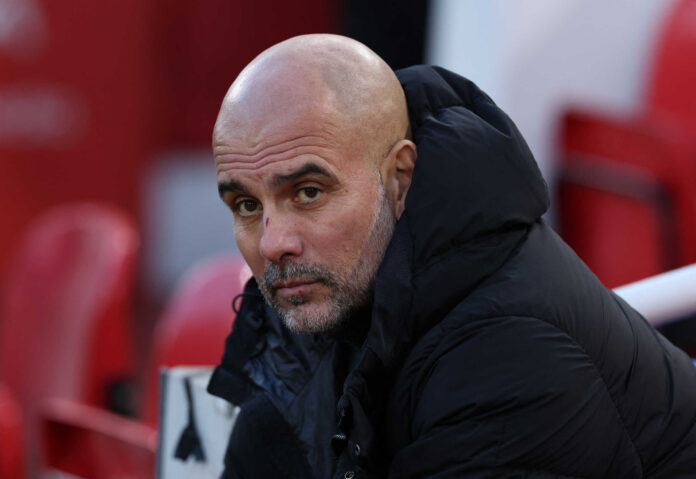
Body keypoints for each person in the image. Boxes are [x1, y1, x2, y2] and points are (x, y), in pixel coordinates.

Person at [207, 34, 696, 478]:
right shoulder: (332, 293)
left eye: (309, 192)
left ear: (399, 177)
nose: (273, 243)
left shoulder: (506, 359)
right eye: (246, 205)